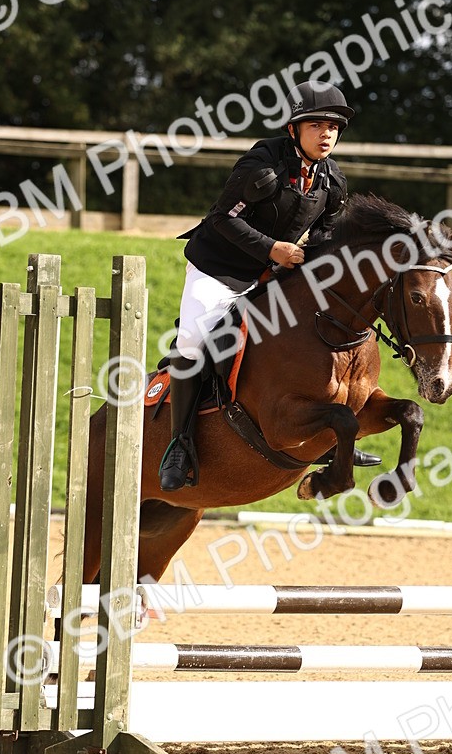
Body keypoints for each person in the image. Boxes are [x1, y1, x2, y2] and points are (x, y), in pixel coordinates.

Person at [159, 79, 380, 491]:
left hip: (274, 272)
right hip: (219, 269)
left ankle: (331, 438)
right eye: (316, 125)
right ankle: (180, 444)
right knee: (192, 339)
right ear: (294, 128)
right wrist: (272, 249)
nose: (327, 133)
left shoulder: (332, 182)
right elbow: (222, 219)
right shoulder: (261, 167)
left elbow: (323, 241)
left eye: (333, 126)